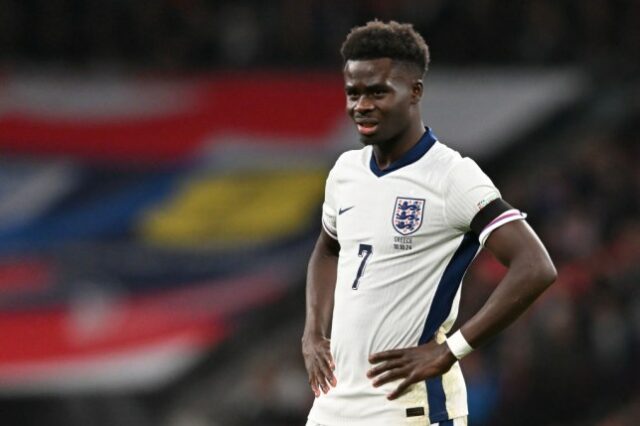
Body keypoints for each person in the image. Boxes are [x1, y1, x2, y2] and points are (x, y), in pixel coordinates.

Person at [301, 20, 557, 426]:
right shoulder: (345, 172)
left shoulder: (452, 176)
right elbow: (328, 248)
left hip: (410, 408)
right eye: (354, 93)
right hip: (333, 405)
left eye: (378, 91)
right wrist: (313, 331)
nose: (361, 105)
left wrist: (451, 350)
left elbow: (535, 266)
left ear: (415, 92)